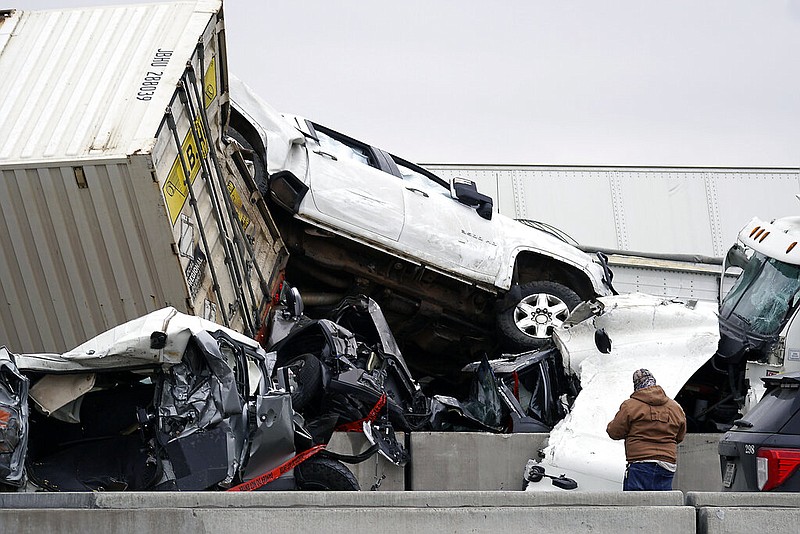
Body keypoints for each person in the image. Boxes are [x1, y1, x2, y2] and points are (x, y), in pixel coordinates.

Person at [606, 369, 686, 491]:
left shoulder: (630, 405)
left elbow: (614, 432)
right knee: (662, 505)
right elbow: (679, 436)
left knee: (636, 506)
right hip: (667, 464)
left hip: (640, 462)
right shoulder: (675, 407)